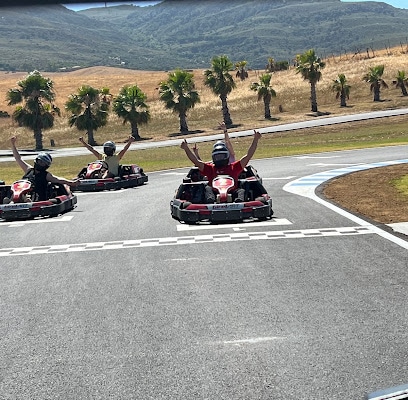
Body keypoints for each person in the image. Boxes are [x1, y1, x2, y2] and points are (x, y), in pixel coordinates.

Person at [181, 129, 262, 203]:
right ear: (213, 157)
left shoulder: (233, 167)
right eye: (217, 157)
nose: (220, 159)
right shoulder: (210, 168)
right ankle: (210, 200)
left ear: (227, 156)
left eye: (222, 156)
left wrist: (255, 140)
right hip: (214, 192)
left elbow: (248, 156)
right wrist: (186, 148)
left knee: (241, 190)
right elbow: (196, 161)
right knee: (207, 188)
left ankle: (239, 202)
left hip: (232, 191)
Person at [9, 136, 79, 202]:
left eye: (43, 163)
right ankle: (11, 201)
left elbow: (59, 179)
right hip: (21, 191)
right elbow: (18, 158)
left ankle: (26, 200)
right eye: (39, 161)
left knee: (29, 194)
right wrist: (13, 144)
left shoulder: (46, 175)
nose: (40, 163)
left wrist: (71, 183)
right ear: (36, 161)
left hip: (37, 196)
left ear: (46, 165)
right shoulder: (29, 170)